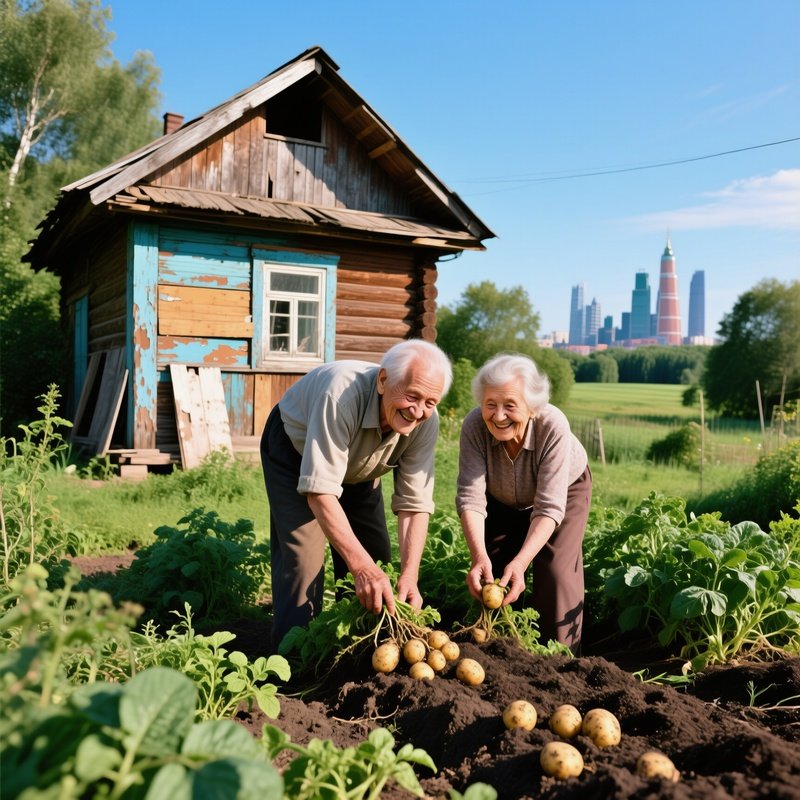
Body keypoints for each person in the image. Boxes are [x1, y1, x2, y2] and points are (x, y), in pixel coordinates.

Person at [261, 339, 452, 649]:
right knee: (303, 563)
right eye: (412, 396)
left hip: (361, 465)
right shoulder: (340, 395)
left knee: (377, 559)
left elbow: (414, 505)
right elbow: (320, 492)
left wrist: (409, 575)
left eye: (430, 401)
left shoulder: (425, 423)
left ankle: (358, 648)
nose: (418, 411)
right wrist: (361, 568)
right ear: (383, 380)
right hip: (296, 453)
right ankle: (293, 663)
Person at [455, 353, 591, 652]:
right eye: (490, 404)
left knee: (555, 574)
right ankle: (499, 654)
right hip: (501, 497)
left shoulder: (552, 425)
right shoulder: (474, 426)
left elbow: (548, 506)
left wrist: (521, 562)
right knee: (492, 572)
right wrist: (479, 556)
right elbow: (471, 497)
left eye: (510, 405)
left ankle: (562, 661)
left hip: (562, 492)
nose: (498, 415)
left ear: (532, 408)